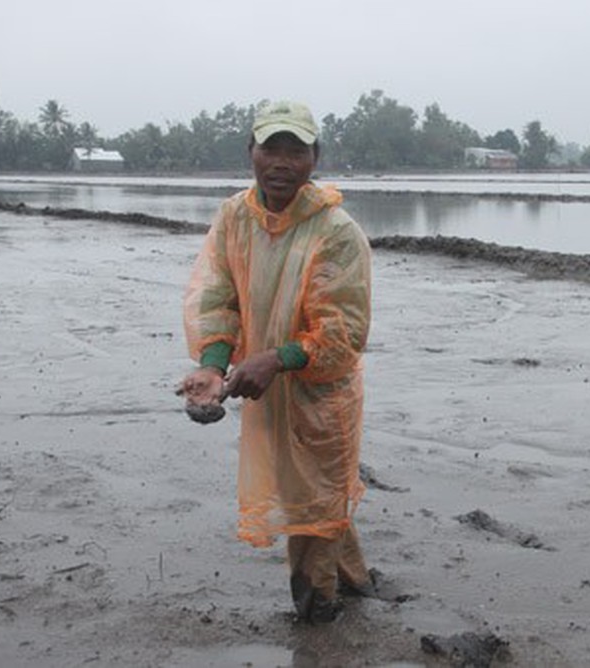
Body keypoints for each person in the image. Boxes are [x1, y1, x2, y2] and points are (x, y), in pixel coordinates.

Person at [179, 100, 374, 623]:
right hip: (262, 385)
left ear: (315, 158)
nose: (282, 162)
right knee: (309, 494)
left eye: (297, 150)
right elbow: (218, 295)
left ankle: (316, 616)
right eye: (272, 148)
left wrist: (277, 358)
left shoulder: (335, 231)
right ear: (251, 152)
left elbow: (343, 333)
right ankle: (362, 584)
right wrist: (214, 364)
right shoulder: (235, 217)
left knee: (316, 500)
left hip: (321, 394)